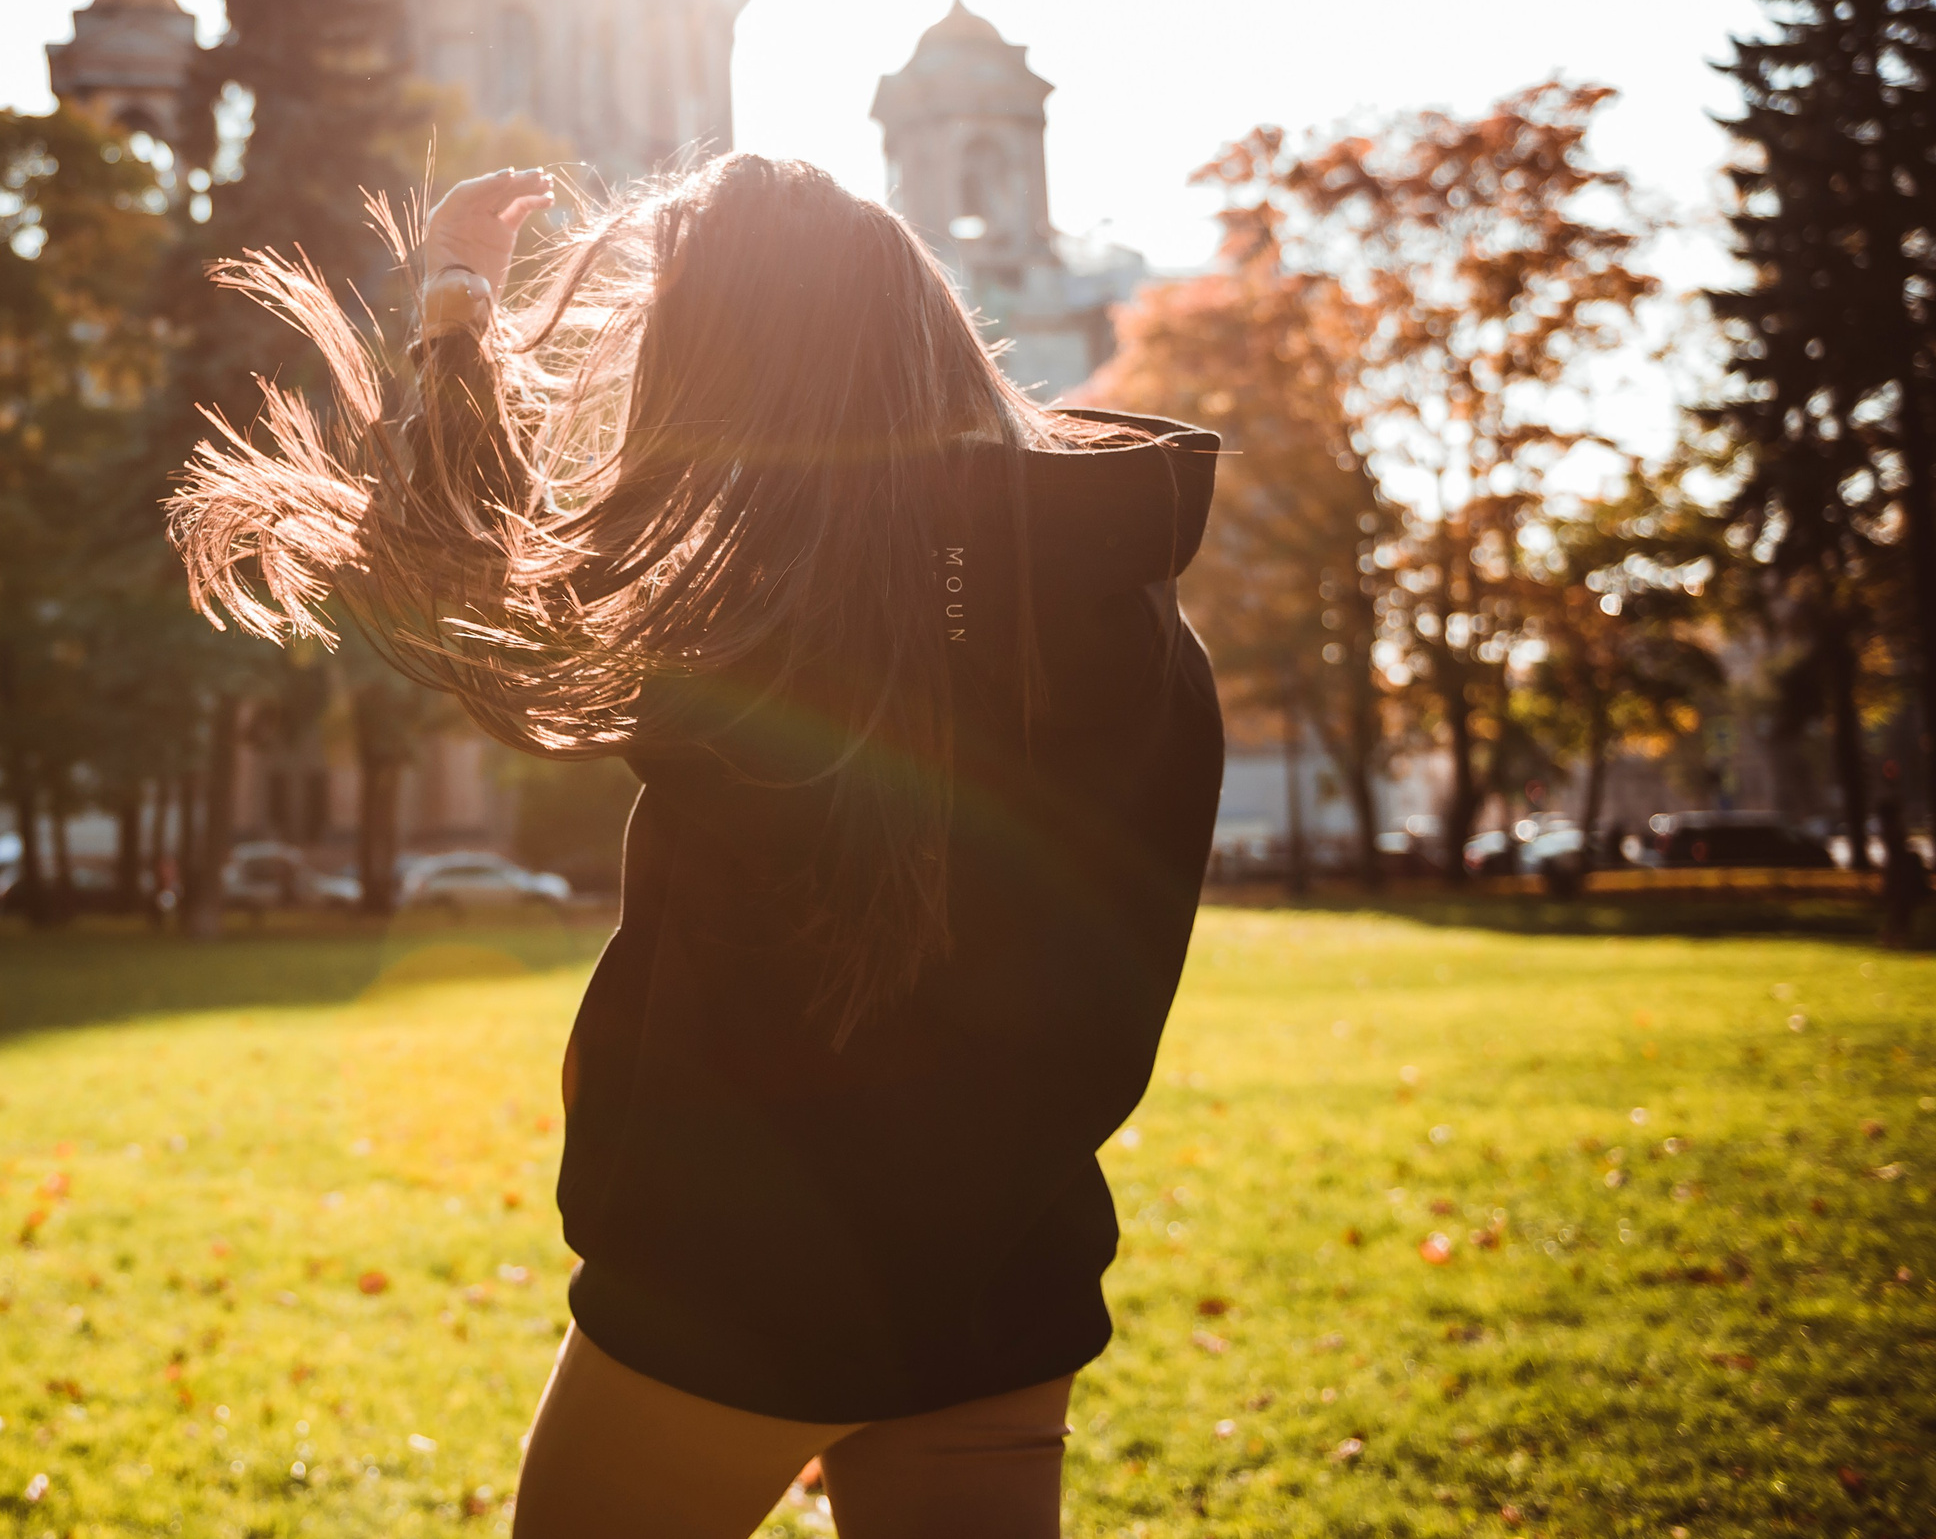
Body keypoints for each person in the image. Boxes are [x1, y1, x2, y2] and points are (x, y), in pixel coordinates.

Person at [172, 156, 1223, 1538]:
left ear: (741, 375)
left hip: (735, 1288)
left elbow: (480, 573)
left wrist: (458, 309)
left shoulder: (771, 627)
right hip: (1003, 1280)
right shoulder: (1142, 627)